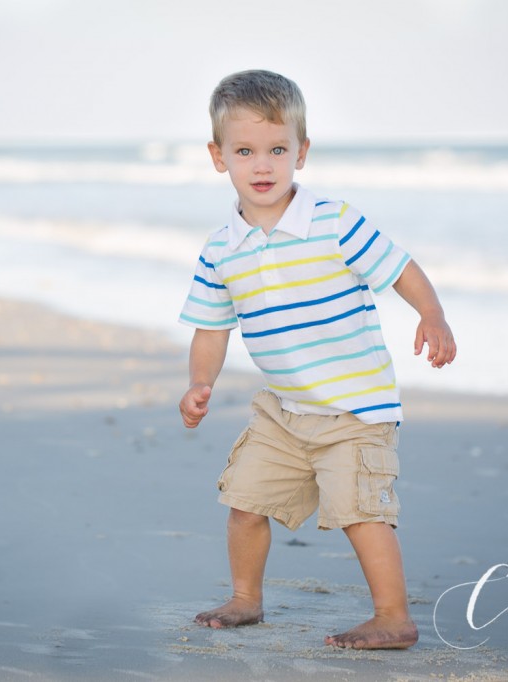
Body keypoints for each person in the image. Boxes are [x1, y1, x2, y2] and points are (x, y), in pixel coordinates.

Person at [178, 69, 456, 650]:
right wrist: (199, 382)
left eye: (277, 149)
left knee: (361, 512)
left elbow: (400, 268)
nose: (262, 165)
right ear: (217, 156)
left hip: (355, 408)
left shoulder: (333, 221)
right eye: (246, 151)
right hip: (284, 410)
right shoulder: (220, 248)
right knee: (244, 503)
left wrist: (431, 316)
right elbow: (210, 327)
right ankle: (246, 599)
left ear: (301, 153)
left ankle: (392, 616)